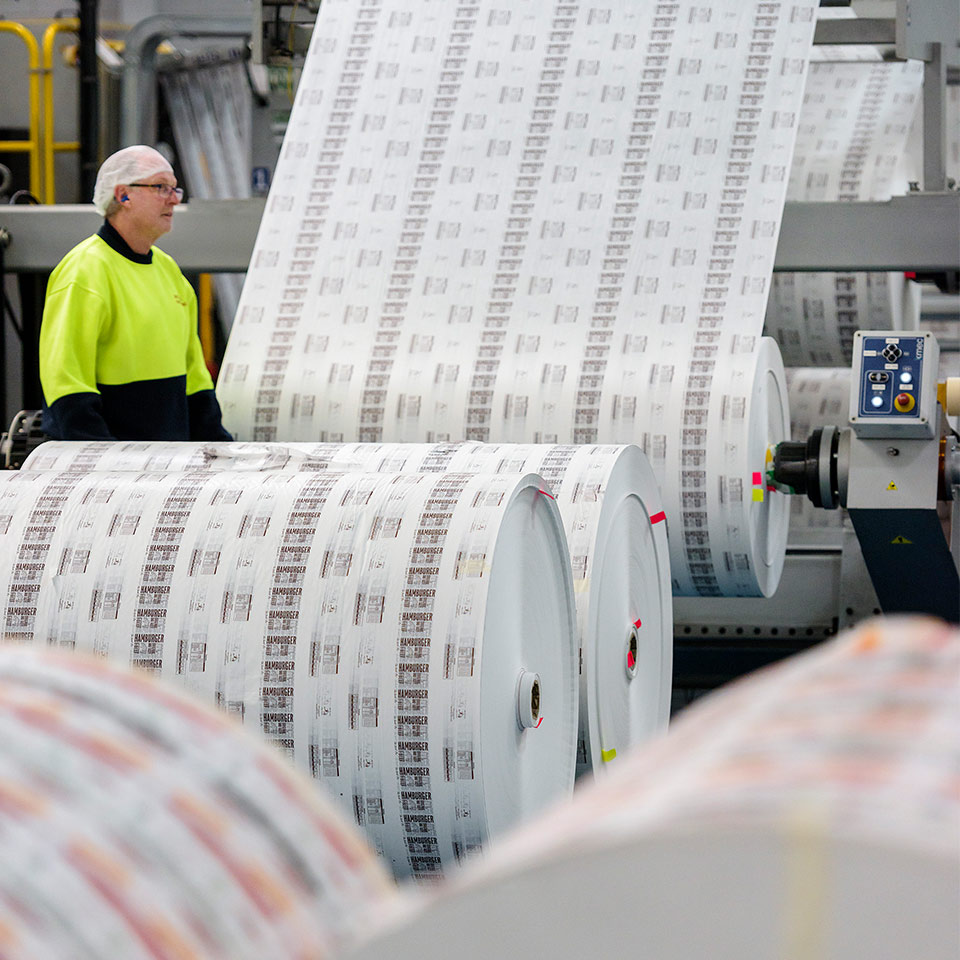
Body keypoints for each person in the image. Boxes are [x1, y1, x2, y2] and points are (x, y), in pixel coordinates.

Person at [39, 145, 232, 441]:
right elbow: (66, 383)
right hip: (111, 471)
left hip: (166, 467)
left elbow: (195, 378)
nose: (173, 200)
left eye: (175, 190)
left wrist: (219, 449)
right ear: (122, 195)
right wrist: (102, 461)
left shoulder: (169, 273)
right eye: (160, 187)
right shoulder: (84, 272)